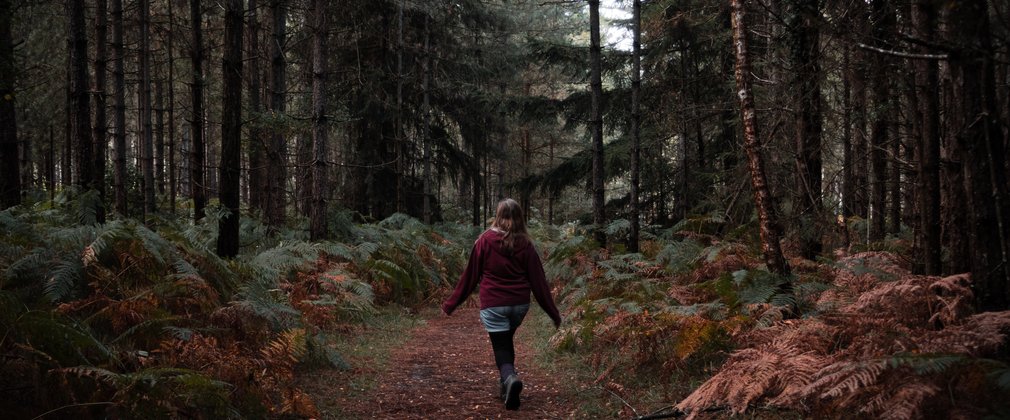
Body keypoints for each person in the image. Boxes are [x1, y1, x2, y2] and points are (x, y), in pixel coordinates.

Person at [442, 198, 562, 411]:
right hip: (519, 305)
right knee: (506, 342)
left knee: (501, 346)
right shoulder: (526, 244)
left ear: (497, 215)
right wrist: (554, 313)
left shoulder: (485, 240)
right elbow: (539, 282)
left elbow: (470, 277)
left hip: (493, 304)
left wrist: (450, 304)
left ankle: (509, 378)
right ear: (520, 217)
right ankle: (505, 384)